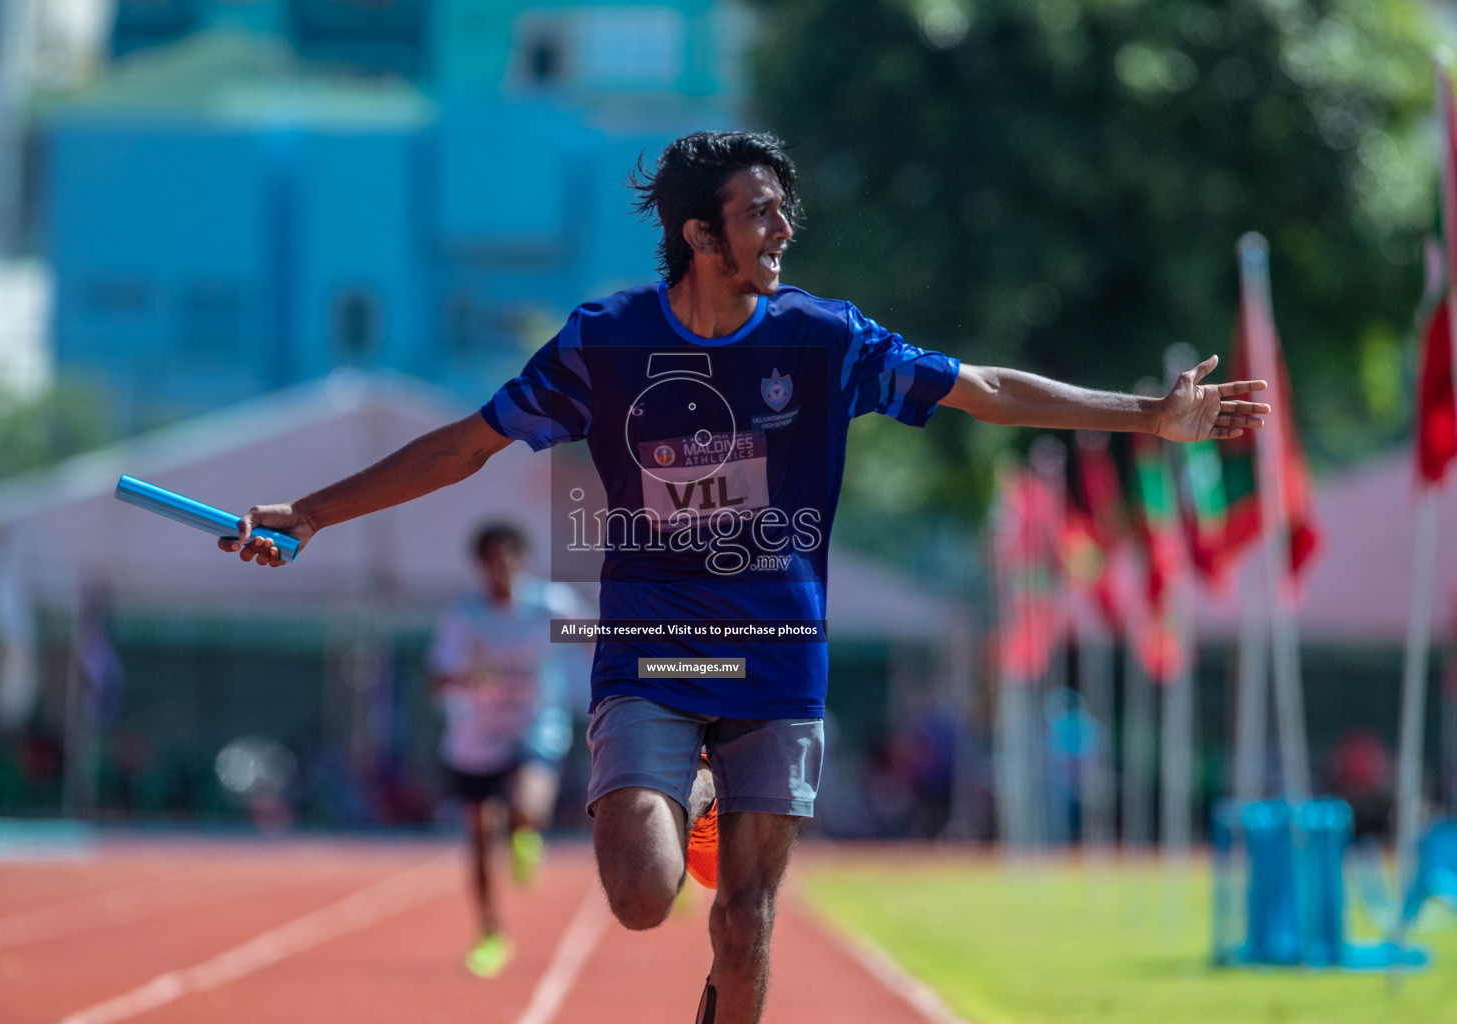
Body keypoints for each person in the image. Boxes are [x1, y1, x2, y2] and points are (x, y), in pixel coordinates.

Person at [219, 131, 1269, 1024]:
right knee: (641, 894)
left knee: (745, 920)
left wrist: (1148, 417)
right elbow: (464, 445)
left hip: (776, 660)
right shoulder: (605, 342)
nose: (782, 231)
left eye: (783, 212)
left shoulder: (823, 338)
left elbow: (983, 389)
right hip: (650, 656)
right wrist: (307, 513)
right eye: (759, 213)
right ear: (697, 234)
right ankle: (697, 793)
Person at [430, 522, 587, 978]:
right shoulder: (465, 615)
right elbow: (437, 679)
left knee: (527, 801)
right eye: (492, 560)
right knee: (479, 840)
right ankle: (491, 933)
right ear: (480, 566)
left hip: (536, 726)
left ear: (524, 560)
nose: (502, 568)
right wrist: (465, 678)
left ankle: (526, 831)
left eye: (509, 557)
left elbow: (596, 636)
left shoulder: (548, 605)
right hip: (475, 737)